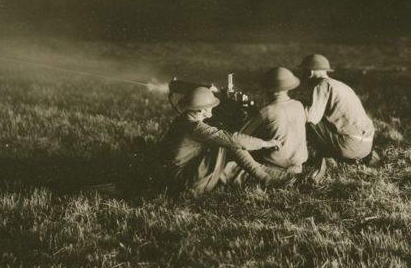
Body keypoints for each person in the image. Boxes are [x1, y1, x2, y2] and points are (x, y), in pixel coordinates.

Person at [159, 86, 294, 194]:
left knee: (229, 150)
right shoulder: (196, 127)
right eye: (211, 105)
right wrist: (266, 143)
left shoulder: (182, 120)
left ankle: (281, 176)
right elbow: (231, 139)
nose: (213, 107)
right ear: (203, 109)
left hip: (179, 178)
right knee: (227, 143)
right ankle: (267, 180)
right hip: (188, 183)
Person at [299, 54, 375, 163]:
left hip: (350, 146)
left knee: (307, 119)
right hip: (366, 146)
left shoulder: (322, 85)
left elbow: (311, 118)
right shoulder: (340, 85)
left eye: (303, 71)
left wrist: (297, 107)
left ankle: (327, 159)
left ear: (310, 72)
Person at [242, 67, 309, 174]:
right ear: (288, 87)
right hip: (298, 164)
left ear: (269, 89)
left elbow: (242, 136)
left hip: (274, 165)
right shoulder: (299, 105)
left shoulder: (267, 110)